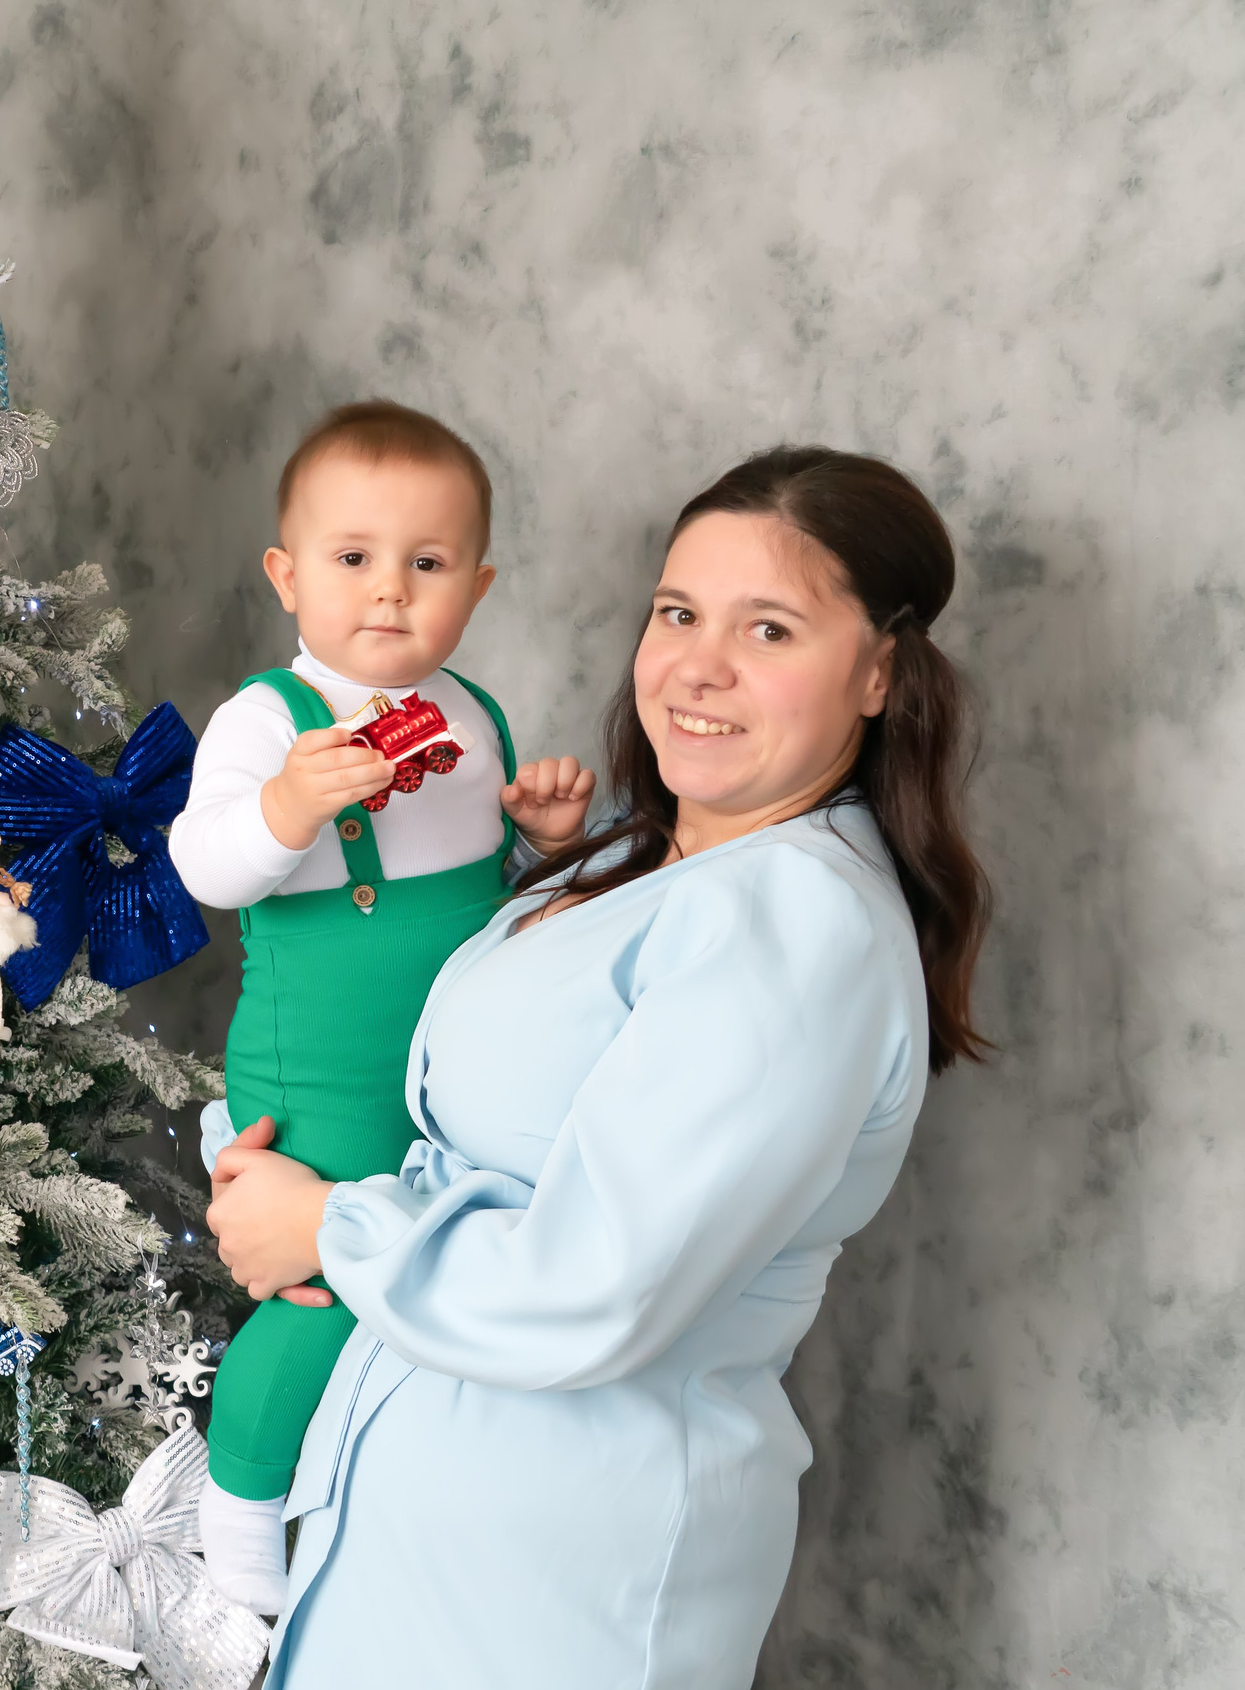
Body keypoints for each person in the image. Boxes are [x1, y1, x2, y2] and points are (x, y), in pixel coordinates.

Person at [201, 446, 993, 1688]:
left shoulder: (795, 927)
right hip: (422, 1541)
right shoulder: (635, 858)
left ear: (879, 670)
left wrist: (326, 1227)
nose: (698, 666)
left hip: (560, 1585)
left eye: (770, 628)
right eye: (677, 612)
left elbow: (596, 1287)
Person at [166, 400, 595, 1612]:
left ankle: (382, 1508)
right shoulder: (268, 721)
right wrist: (292, 806)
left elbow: (491, 904)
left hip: (454, 1067)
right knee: (325, 1286)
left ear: (478, 584)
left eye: (428, 563)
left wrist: (549, 845)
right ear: (287, 576)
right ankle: (240, 1507)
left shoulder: (471, 714)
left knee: (421, 1275)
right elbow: (204, 870)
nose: (390, 592)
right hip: (322, 1070)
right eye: (353, 560)